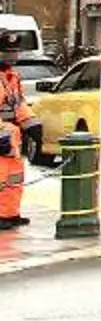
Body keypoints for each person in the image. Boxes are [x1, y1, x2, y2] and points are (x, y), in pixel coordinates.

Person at [0, 54, 34, 230]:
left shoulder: (11, 77)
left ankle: (10, 213)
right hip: (3, 135)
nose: (12, 56)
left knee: (13, 177)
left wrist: (32, 124)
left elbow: (18, 103)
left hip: (11, 136)